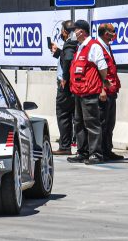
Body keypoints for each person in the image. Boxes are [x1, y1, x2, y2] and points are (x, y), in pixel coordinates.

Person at [67, 20, 109, 165]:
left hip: (90, 91)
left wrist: (104, 85)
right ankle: (82, 152)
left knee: (92, 123)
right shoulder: (80, 47)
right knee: (78, 123)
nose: (73, 33)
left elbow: (102, 67)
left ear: (82, 31)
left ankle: (96, 154)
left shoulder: (93, 47)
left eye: (75, 30)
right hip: (79, 92)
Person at [95, 23, 122, 161]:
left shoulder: (106, 46)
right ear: (106, 33)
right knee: (102, 123)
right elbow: (96, 71)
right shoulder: (97, 47)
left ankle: (107, 149)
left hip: (111, 90)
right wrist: (101, 89)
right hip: (104, 92)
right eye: (113, 32)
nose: (114, 34)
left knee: (110, 123)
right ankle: (100, 152)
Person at [50, 20, 77, 155]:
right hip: (75, 87)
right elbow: (67, 57)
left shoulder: (70, 44)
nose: (61, 32)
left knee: (63, 115)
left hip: (66, 87)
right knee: (75, 116)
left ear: (65, 32)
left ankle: (65, 146)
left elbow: (67, 59)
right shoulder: (76, 44)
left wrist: (65, 78)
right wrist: (58, 52)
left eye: (62, 30)